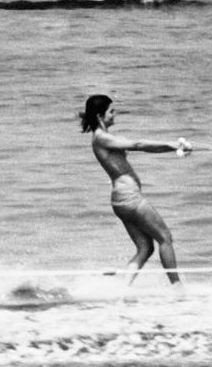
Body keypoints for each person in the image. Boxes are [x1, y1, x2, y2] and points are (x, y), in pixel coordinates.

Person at [81, 94, 191, 286]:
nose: (114, 114)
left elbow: (143, 147)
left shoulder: (105, 137)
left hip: (121, 201)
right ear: (100, 116)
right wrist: (172, 144)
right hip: (130, 199)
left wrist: (172, 148)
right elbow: (138, 144)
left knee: (145, 248)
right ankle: (177, 287)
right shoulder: (102, 138)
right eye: (111, 111)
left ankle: (123, 287)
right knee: (165, 238)